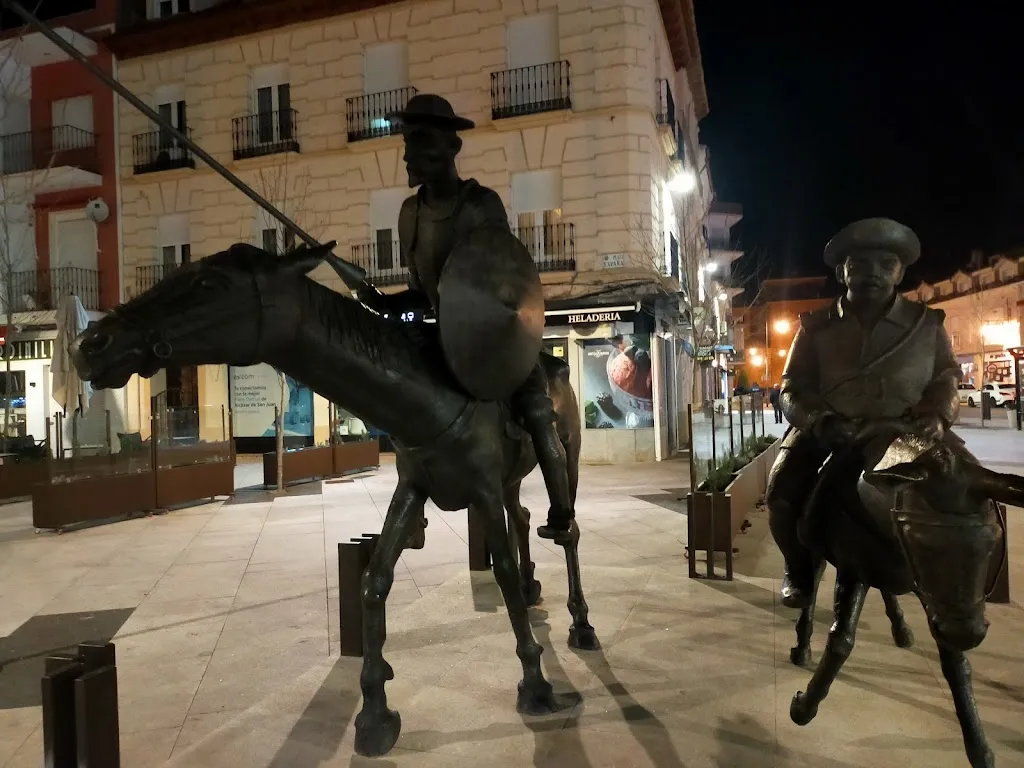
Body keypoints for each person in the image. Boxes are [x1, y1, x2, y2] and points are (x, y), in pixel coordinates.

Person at [356, 94, 575, 543]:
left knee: (537, 411)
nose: (408, 154)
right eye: (407, 141)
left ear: (451, 147)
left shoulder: (480, 205)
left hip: (493, 341)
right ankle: (413, 507)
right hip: (442, 338)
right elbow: (421, 292)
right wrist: (381, 301)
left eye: (421, 141)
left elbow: (503, 279)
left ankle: (561, 510)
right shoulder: (409, 215)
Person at [767, 218, 960, 609]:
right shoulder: (815, 327)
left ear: (900, 273)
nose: (873, 273)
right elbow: (791, 386)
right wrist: (819, 421)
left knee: (968, 496)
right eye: (860, 264)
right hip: (829, 431)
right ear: (842, 272)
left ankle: (960, 586)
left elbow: (946, 378)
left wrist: (937, 417)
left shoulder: (926, 325)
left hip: (905, 433)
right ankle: (798, 569)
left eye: (886, 264)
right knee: (781, 494)